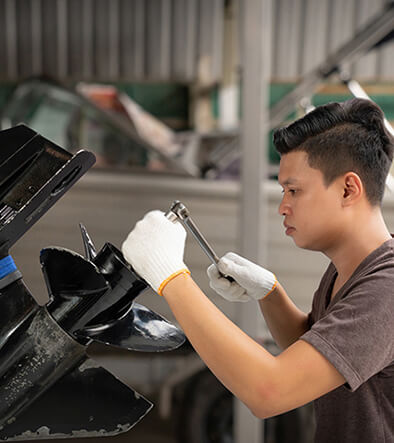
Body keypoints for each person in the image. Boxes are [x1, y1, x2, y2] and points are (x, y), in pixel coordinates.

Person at [121, 98, 394, 443]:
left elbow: (271, 392)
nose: (283, 207)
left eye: (294, 190)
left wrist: (170, 276)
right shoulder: (350, 272)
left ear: (347, 188)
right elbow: (321, 359)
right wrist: (271, 294)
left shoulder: (386, 288)